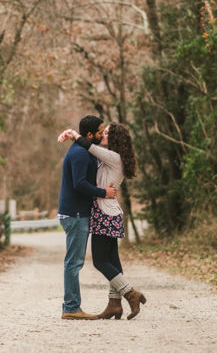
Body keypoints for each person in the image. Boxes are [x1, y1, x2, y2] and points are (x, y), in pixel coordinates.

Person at [58, 122, 147, 320]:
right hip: (109, 212)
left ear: (114, 139)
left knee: (99, 261)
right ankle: (114, 305)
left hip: (105, 213)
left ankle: (131, 294)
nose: (103, 135)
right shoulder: (114, 157)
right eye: (102, 132)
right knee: (112, 260)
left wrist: (73, 133)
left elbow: (87, 145)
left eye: (106, 133)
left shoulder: (113, 156)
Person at [57, 115, 118, 320]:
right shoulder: (81, 153)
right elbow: (80, 184)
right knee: (74, 263)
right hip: (75, 214)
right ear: (90, 134)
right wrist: (103, 193)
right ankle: (72, 308)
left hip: (76, 213)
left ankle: (71, 306)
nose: (102, 135)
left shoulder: (84, 149)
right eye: (100, 132)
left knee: (74, 262)